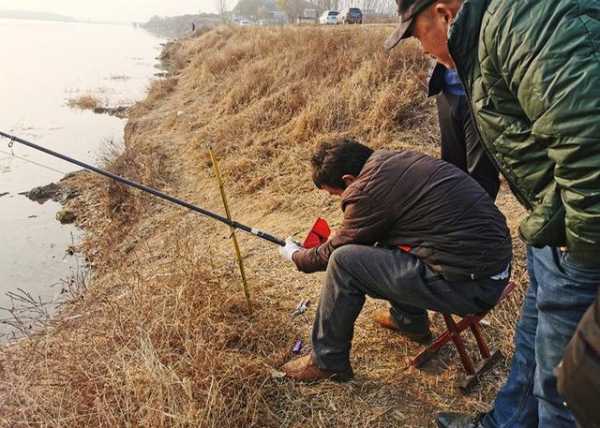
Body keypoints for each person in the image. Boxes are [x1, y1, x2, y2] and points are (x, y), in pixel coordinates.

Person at [384, 0, 600, 427]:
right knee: (532, 345)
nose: (422, 48)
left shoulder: (524, 22)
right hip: (551, 228)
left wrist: (579, 252)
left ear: (443, 14)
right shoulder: (488, 36)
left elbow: (590, 150)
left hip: (577, 243)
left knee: (568, 389)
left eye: (417, 32)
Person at [278, 139, 512, 382]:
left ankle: (327, 362)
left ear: (348, 180)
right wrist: (349, 233)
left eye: (335, 193)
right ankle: (409, 321)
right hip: (494, 266)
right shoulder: (393, 161)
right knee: (377, 241)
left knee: (343, 262)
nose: (337, 199)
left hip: (471, 287)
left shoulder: (366, 189)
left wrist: (296, 255)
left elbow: (331, 253)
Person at [429, 63, 499, 200]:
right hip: (446, 92)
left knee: (481, 173)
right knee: (452, 170)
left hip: (480, 94)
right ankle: (458, 218)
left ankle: (482, 219)